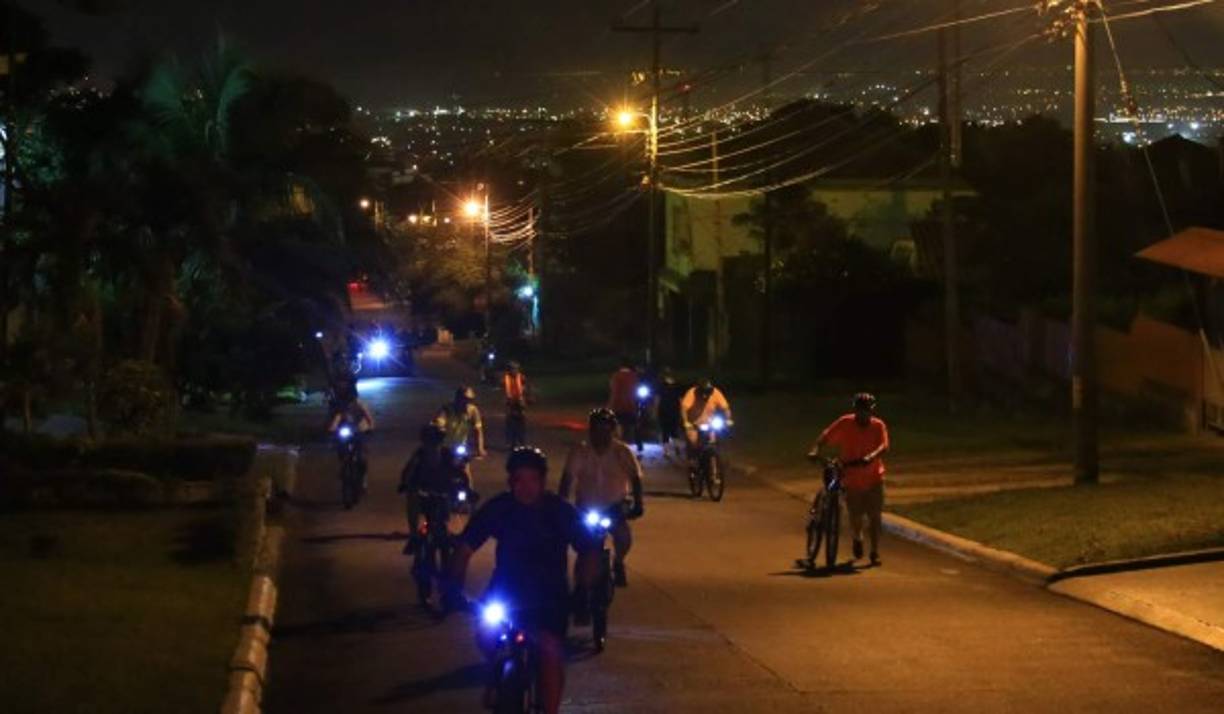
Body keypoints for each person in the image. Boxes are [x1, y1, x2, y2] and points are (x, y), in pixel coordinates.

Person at [447, 447, 599, 714]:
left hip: (549, 596)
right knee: (485, 634)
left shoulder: (559, 511)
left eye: (532, 480)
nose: (526, 487)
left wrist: (583, 590)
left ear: (542, 481)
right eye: (519, 480)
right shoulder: (499, 508)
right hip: (506, 591)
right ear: (510, 482)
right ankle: (496, 675)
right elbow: (464, 549)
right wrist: (454, 588)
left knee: (550, 653)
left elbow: (589, 550)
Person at [559, 408, 645, 589]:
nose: (601, 434)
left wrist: (638, 503)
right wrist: (562, 504)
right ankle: (581, 586)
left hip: (614, 506)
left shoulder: (622, 452)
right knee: (583, 547)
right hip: (586, 507)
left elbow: (635, 478)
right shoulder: (580, 451)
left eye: (606, 430)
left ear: (612, 430)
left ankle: (619, 562)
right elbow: (567, 479)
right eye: (597, 429)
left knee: (623, 537)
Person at [808, 392, 890, 567]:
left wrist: (871, 457)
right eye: (860, 410)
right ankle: (857, 537)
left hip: (874, 477)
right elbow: (825, 436)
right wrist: (815, 450)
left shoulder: (878, 426)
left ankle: (874, 552)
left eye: (867, 410)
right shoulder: (845, 423)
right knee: (856, 515)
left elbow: (884, 446)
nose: (863, 414)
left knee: (875, 517)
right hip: (851, 477)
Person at [399, 423, 471, 549]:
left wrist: (466, 490)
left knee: (462, 506)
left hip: (444, 493)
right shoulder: (419, 455)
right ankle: (413, 534)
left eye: (436, 440)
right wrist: (405, 484)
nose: (433, 444)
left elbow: (461, 471)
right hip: (424, 493)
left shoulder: (447, 454)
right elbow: (408, 470)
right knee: (412, 500)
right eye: (429, 440)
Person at [326, 380, 375, 482]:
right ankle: (344, 467)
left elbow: (368, 417)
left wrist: (370, 427)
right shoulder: (341, 407)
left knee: (361, 458)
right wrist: (332, 428)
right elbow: (337, 418)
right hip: (346, 430)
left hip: (359, 430)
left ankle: (363, 479)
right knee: (341, 449)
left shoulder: (360, 404)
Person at [680, 378, 733, 457]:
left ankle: (715, 458)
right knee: (693, 441)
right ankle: (692, 459)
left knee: (714, 441)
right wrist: (686, 422)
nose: (706, 396)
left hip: (709, 422)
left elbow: (726, 408)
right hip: (694, 423)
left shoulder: (716, 393)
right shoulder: (691, 393)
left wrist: (728, 419)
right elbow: (684, 409)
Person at [435, 386, 486, 457]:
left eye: (469, 400)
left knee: (465, 465)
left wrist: (480, 449)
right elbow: (440, 421)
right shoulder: (447, 408)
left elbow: (478, 430)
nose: (466, 403)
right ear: (457, 399)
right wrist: (440, 426)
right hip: (445, 446)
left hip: (461, 446)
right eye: (464, 400)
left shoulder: (473, 410)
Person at [607, 356, 640, 443]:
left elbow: (615, 392)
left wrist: (611, 406)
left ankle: (622, 441)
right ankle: (632, 441)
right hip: (631, 404)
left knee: (619, 423)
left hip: (619, 405)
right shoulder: (634, 376)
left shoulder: (616, 376)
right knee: (630, 424)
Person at [656, 367, 684, 460]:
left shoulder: (661, 386)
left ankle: (666, 451)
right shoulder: (678, 386)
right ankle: (676, 449)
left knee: (665, 432)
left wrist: (655, 410)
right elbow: (681, 400)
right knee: (674, 431)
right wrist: (682, 411)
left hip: (663, 410)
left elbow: (657, 399)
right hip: (674, 410)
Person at [502, 361, 529, 448]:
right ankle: (512, 442)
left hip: (520, 404)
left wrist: (524, 399)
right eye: (512, 369)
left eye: (515, 369)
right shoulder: (505, 379)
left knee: (521, 424)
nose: (514, 371)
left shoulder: (522, 378)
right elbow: (504, 391)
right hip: (510, 404)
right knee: (511, 424)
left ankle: (522, 442)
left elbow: (526, 390)